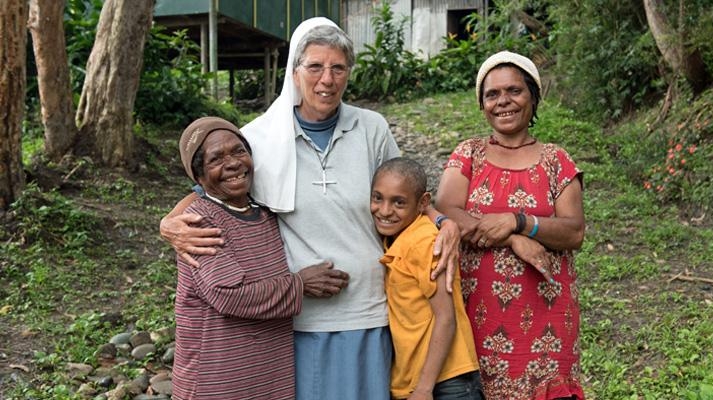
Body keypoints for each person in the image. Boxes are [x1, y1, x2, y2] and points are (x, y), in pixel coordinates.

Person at [160, 18, 461, 400]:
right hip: (297, 318)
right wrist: (167, 223)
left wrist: (443, 221)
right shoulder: (260, 137)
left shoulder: (371, 128)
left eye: (338, 68)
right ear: (295, 71)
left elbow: (404, 192)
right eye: (315, 67)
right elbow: (211, 187)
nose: (327, 79)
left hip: (369, 306)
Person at [436, 51, 586, 400]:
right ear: (481, 103)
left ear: (533, 96)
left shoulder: (556, 160)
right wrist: (514, 240)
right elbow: (445, 210)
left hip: (548, 313)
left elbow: (574, 231)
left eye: (514, 91)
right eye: (492, 94)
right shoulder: (468, 154)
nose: (503, 101)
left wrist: (519, 221)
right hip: (479, 313)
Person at [171, 117, 349, 399]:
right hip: (216, 380)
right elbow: (228, 294)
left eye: (239, 151)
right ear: (199, 177)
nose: (232, 163)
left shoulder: (264, 213)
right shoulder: (198, 222)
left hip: (268, 374)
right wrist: (300, 284)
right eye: (216, 158)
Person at [371, 157, 484, 400]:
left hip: (445, 382)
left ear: (423, 202)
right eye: (377, 198)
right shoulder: (398, 237)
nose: (385, 210)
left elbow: (446, 318)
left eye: (399, 202)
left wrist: (424, 388)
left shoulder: (424, 242)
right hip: (418, 378)